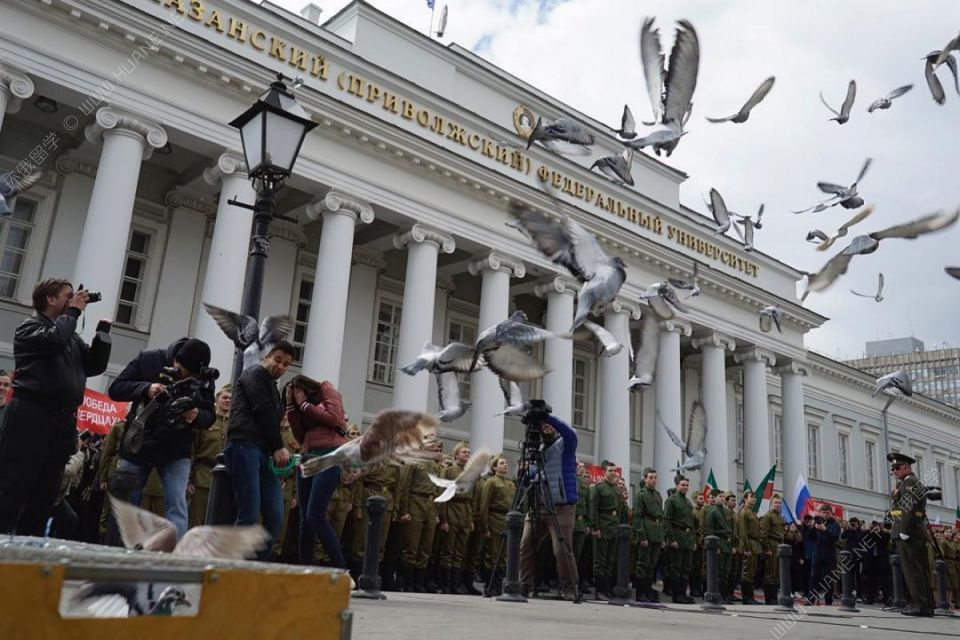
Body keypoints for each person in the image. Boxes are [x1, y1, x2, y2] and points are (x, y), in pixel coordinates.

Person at [0, 279, 111, 535]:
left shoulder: (70, 336)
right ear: (50, 299)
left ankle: (31, 548)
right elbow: (53, 341)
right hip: (31, 413)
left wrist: (103, 334)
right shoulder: (30, 327)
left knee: (47, 489)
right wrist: (73, 312)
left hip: (61, 418)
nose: (74, 301)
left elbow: (94, 366)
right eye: (68, 296)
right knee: (16, 483)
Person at [109, 337, 216, 539]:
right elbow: (116, 389)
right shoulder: (148, 359)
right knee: (126, 503)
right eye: (185, 373)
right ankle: (120, 551)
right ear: (175, 361)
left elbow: (209, 415)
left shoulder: (204, 378)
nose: (187, 378)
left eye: (194, 376)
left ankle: (173, 558)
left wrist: (196, 415)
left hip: (176, 449)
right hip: (138, 444)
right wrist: (146, 389)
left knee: (177, 505)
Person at [224, 340, 295, 560]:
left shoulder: (272, 387)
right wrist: (278, 447)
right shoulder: (254, 375)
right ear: (266, 356)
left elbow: (271, 417)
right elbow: (263, 411)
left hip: (262, 451)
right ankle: (233, 567)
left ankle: (256, 566)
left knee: (274, 516)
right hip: (245, 444)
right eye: (278, 360)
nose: (281, 366)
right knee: (249, 513)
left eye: (286, 364)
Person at [284, 374, 347, 568]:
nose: (295, 395)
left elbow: (334, 419)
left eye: (296, 391)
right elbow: (301, 436)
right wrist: (292, 408)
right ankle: (306, 569)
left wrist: (304, 405)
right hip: (308, 456)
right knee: (306, 520)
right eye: (291, 393)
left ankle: (342, 569)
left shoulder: (325, 389)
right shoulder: (301, 407)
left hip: (329, 456)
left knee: (315, 515)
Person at [517, 409, 580, 600]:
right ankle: (524, 585)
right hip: (539, 505)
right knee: (525, 545)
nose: (546, 427)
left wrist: (546, 416)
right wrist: (524, 474)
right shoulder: (538, 450)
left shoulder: (564, 445)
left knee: (561, 549)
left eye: (548, 425)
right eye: (542, 426)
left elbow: (571, 433)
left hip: (562, 506)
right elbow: (530, 477)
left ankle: (569, 587)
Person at [887, 452, 934, 616]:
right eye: (892, 468)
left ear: (907, 467)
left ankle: (919, 605)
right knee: (919, 570)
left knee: (912, 570)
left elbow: (908, 508)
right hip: (913, 532)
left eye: (897, 467)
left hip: (909, 533)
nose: (894, 471)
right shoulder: (906, 483)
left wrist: (904, 531)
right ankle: (925, 605)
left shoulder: (910, 482)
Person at [188, 383, 230, 528]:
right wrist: (189, 479)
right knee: (197, 520)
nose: (228, 401)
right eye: (225, 397)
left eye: (231, 399)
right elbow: (193, 449)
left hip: (226, 478)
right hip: (204, 476)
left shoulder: (235, 424)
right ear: (217, 400)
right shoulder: (207, 420)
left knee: (219, 523)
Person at [438, 442, 476, 594]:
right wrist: (444, 520)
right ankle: (446, 585)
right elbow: (443, 495)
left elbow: (474, 498)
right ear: (456, 455)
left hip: (465, 512)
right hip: (452, 509)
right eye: (464, 452)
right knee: (448, 551)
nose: (467, 454)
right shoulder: (449, 471)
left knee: (460, 552)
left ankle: (455, 585)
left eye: (468, 452)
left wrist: (471, 519)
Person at [479, 455, 516, 595]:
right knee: (493, 554)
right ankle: (490, 586)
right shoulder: (491, 482)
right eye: (501, 463)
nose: (505, 465)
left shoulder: (510, 483)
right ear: (494, 467)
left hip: (507, 520)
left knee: (504, 556)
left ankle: (498, 586)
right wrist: (485, 526)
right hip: (494, 519)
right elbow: (484, 505)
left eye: (505, 463)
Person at [588, 460, 622, 599]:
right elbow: (593, 508)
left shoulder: (615, 489)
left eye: (615, 471)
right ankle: (599, 590)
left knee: (610, 560)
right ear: (604, 472)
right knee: (600, 561)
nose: (613, 473)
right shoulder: (599, 488)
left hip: (613, 528)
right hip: (602, 526)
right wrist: (595, 527)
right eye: (610, 471)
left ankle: (607, 589)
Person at [632, 467, 664, 602]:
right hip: (647, 530)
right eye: (650, 478)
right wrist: (642, 536)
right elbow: (637, 517)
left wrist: (661, 536)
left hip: (656, 532)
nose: (653, 480)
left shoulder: (657, 495)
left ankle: (649, 592)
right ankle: (641, 593)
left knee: (652, 564)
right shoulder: (641, 495)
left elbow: (661, 517)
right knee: (643, 564)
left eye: (655, 478)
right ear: (645, 479)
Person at [663, 474, 696, 603]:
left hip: (687, 538)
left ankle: (683, 593)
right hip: (677, 535)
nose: (685, 487)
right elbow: (667, 521)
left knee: (686, 568)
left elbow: (691, 523)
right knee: (676, 568)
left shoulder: (688, 502)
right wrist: (672, 539)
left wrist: (692, 540)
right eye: (682, 485)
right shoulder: (671, 500)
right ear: (676, 485)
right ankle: (676, 595)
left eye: (687, 485)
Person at [807, 503, 841, 605]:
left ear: (831, 513)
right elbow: (810, 538)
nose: (825, 515)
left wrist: (825, 530)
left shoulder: (835, 525)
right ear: (820, 513)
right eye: (823, 513)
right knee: (813, 578)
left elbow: (835, 537)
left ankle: (828, 601)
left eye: (827, 513)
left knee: (828, 579)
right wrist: (813, 527)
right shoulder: (818, 523)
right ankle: (811, 599)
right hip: (817, 554)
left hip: (829, 555)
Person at [704, 488, 733, 604]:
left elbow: (731, 529)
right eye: (720, 497)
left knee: (726, 572)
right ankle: (718, 594)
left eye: (723, 497)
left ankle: (725, 595)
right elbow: (710, 530)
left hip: (727, 543)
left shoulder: (727, 512)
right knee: (718, 571)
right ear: (714, 498)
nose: (722, 499)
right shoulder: (712, 512)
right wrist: (715, 547)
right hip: (719, 543)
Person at [759, 493, 785, 603]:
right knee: (770, 572)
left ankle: (774, 597)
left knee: (776, 573)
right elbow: (763, 534)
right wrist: (767, 549)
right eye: (776, 503)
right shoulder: (768, 516)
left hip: (779, 545)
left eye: (779, 503)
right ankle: (769, 599)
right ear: (771, 503)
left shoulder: (780, 516)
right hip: (771, 545)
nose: (778, 505)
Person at [737, 490, 761, 604]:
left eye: (754, 497)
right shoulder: (744, 512)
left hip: (754, 544)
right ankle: (747, 598)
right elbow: (742, 531)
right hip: (748, 544)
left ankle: (750, 597)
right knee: (747, 572)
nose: (753, 499)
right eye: (751, 497)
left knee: (751, 572)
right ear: (745, 499)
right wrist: (746, 548)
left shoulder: (751, 512)